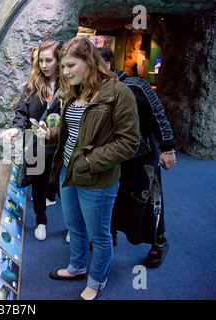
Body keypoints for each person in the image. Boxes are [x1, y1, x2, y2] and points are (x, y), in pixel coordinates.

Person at [34, 37, 140, 300]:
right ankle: (77, 267)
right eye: (64, 68)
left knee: (99, 235)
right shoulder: (76, 90)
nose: (66, 73)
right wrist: (51, 134)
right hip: (67, 172)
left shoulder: (119, 93)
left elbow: (129, 143)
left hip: (97, 179)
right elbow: (74, 133)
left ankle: (96, 281)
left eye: (71, 65)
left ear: (90, 61)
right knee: (74, 226)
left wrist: (90, 162)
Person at [98, 47, 176, 268]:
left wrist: (168, 148)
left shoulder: (136, 85)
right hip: (113, 158)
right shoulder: (96, 89)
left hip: (142, 157)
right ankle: (109, 236)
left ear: (106, 64)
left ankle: (159, 243)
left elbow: (158, 115)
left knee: (149, 200)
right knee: (112, 198)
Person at [0, 40, 62, 241]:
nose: (44, 65)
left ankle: (72, 228)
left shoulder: (70, 85)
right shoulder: (32, 86)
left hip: (63, 146)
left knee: (66, 187)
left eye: (49, 60)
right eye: (41, 61)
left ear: (59, 60)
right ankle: (41, 221)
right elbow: (22, 113)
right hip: (38, 146)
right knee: (38, 185)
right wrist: (16, 128)